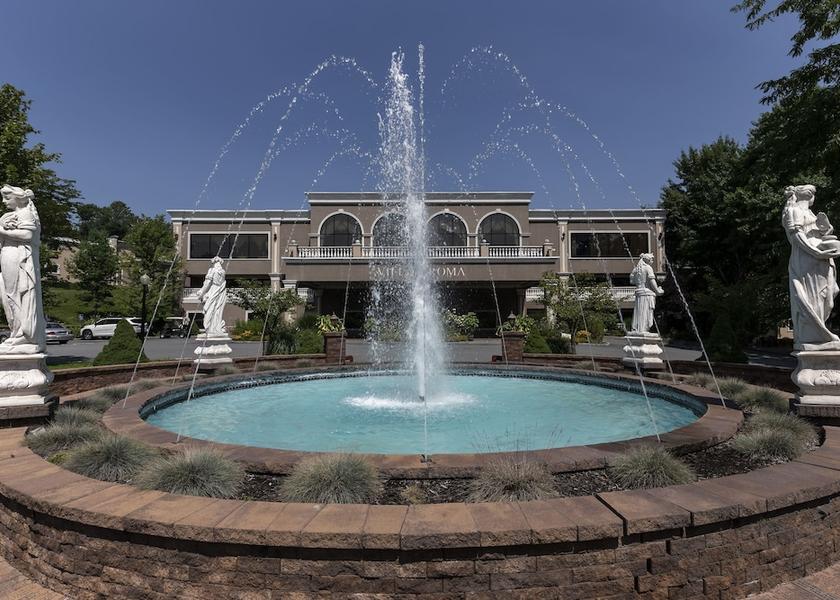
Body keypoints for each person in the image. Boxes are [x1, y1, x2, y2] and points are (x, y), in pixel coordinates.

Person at [782, 184, 840, 349]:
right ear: (809, 197)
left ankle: (818, 334)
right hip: (807, 259)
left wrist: (825, 228)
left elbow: (817, 234)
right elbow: (796, 237)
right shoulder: (794, 211)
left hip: (820, 258)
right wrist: (816, 252)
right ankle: (814, 337)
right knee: (813, 295)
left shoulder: (809, 213)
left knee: (830, 294)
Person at [0, 185, 45, 353]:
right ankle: (16, 331)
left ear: (17, 198)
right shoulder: (8, 216)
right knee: (9, 294)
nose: (4, 201)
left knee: (17, 293)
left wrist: (0, 230)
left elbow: (27, 236)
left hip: (18, 257)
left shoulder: (25, 214)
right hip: (8, 255)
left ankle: (23, 333)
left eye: (6, 197)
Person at [629, 253, 663, 334]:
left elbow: (631, 281)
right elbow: (652, 281)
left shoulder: (636, 269)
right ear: (646, 259)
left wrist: (639, 282)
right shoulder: (648, 268)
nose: (652, 260)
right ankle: (643, 329)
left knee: (639, 311)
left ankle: (638, 328)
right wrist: (658, 291)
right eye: (651, 259)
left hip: (639, 293)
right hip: (647, 293)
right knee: (646, 312)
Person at [197, 256, 227, 337]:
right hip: (221, 292)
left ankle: (210, 328)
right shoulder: (223, 271)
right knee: (217, 311)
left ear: (213, 263)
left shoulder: (212, 270)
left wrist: (201, 292)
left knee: (209, 310)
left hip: (214, 291)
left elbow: (207, 283)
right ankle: (216, 328)